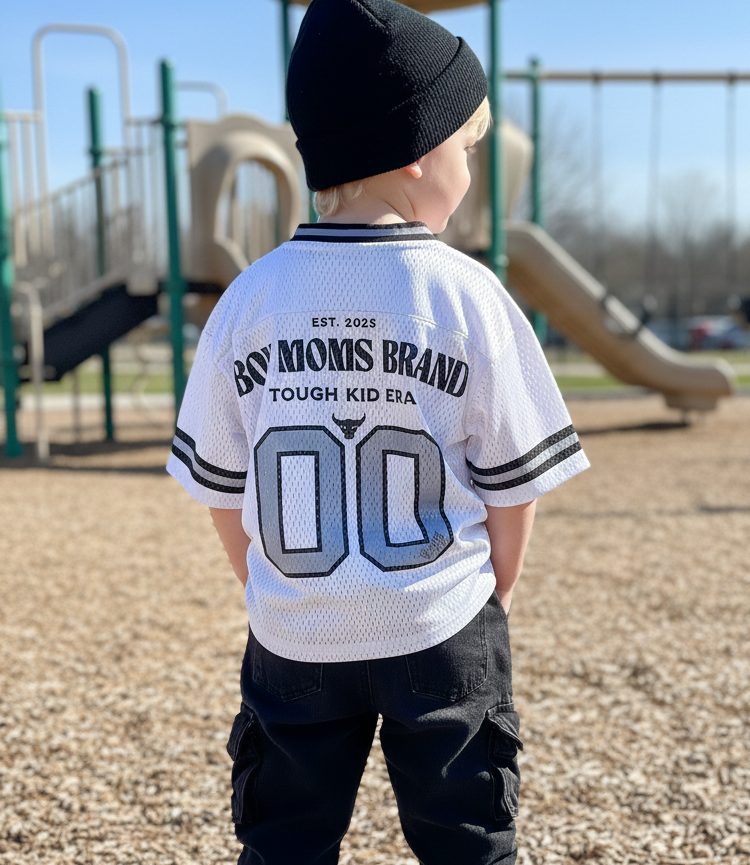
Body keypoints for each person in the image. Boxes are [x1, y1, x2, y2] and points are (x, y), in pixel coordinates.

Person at [166, 0, 589, 862]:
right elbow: (513, 485)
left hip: (294, 629)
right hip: (439, 620)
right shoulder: (465, 295)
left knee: (283, 835)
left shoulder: (249, 300)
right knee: (467, 836)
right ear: (416, 153)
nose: (469, 172)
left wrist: (273, 582)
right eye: (466, 150)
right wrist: (493, 594)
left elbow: (222, 489)